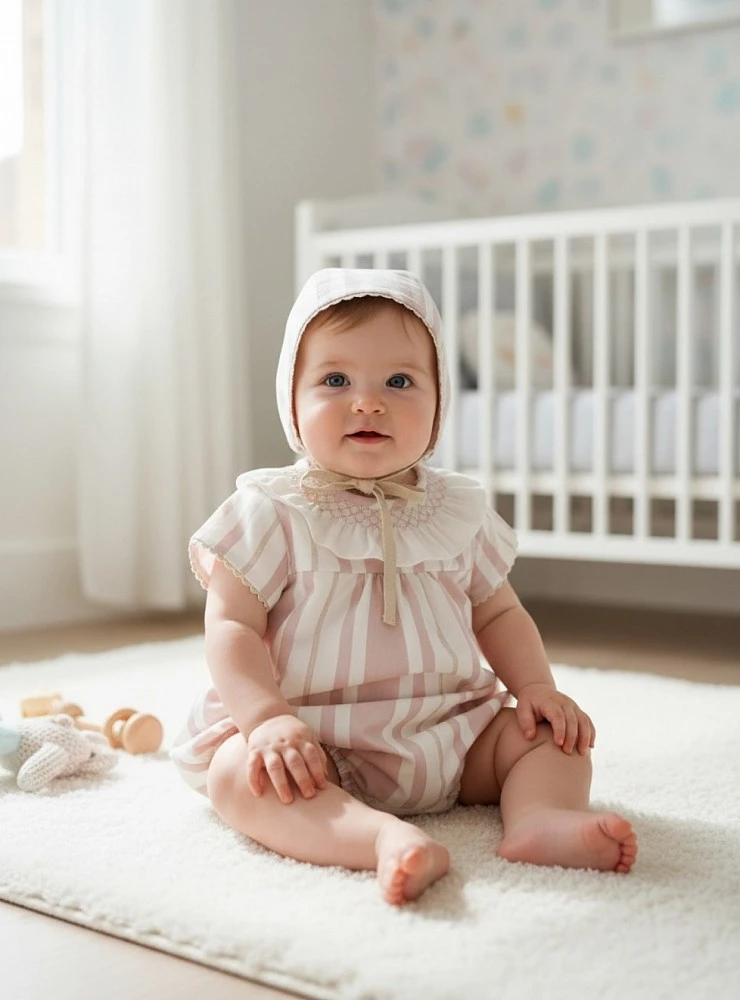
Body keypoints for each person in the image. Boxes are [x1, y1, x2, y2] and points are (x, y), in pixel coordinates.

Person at [171, 268, 637, 906]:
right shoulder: (272, 509)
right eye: (335, 381)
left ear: (439, 400)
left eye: (399, 381)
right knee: (239, 776)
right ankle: (374, 839)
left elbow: (499, 613)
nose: (368, 402)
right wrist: (266, 719)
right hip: (314, 740)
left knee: (552, 738)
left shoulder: (458, 509)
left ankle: (540, 821)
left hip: (450, 729)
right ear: (292, 399)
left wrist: (535, 689)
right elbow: (230, 627)